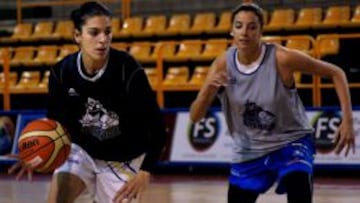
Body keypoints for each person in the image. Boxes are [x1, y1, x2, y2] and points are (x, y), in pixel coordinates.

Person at [190, 3, 355, 203]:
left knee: (298, 182)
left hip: (291, 141)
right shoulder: (222, 64)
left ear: (261, 31)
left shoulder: (281, 58)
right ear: (231, 30)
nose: (245, 33)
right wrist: (208, 91)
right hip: (249, 150)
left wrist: (347, 120)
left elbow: (336, 73)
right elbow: (195, 116)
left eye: (252, 27)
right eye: (239, 26)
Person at [8, 1, 166, 203]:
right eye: (94, 33)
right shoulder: (62, 73)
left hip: (123, 157)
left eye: (107, 32)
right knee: (56, 200)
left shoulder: (128, 70)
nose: (103, 40)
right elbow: (56, 127)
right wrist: (35, 153)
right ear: (77, 36)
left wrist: (145, 171)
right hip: (82, 150)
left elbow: (158, 128)